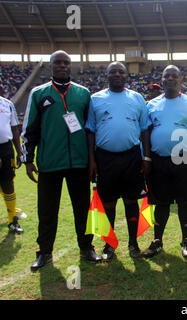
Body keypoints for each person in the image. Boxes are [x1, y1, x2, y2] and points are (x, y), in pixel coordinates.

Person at [21, 50, 101, 272]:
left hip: (79, 163)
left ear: (71, 66)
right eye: (58, 62)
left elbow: (90, 130)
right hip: (49, 163)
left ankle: (86, 247)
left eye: (66, 63)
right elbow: (30, 130)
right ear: (51, 66)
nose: (63, 66)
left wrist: (92, 159)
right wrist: (28, 160)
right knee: (47, 211)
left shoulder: (84, 94)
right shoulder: (39, 94)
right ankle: (44, 252)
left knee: (82, 209)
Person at [85, 62, 150, 261]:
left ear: (126, 76)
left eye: (120, 71)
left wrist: (146, 157)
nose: (117, 74)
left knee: (131, 201)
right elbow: (90, 131)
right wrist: (92, 160)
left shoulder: (137, 98)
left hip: (131, 157)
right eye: (112, 71)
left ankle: (133, 243)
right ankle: (109, 244)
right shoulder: (95, 99)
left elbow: (145, 129)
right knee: (108, 203)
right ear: (106, 75)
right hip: (105, 159)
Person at [142, 65, 187, 259]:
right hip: (159, 160)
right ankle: (157, 241)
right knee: (161, 203)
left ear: (180, 79)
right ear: (163, 79)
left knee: (185, 202)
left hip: (185, 158)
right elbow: (147, 133)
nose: (171, 79)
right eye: (167, 76)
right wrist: (147, 158)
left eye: (175, 76)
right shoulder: (152, 104)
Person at [0, 95, 23, 234]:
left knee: (8, 184)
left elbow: (15, 129)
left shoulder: (7, 104)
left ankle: (12, 220)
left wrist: (19, 151)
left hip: (5, 149)